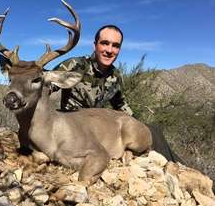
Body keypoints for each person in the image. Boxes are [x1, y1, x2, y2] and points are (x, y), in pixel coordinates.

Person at [53, 24, 182, 163]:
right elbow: (43, 85)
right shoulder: (74, 65)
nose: (109, 50)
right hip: (72, 129)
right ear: (94, 45)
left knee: (153, 130)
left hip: (97, 128)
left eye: (115, 46)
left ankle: (178, 166)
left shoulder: (115, 75)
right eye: (104, 43)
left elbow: (121, 105)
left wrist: (137, 125)